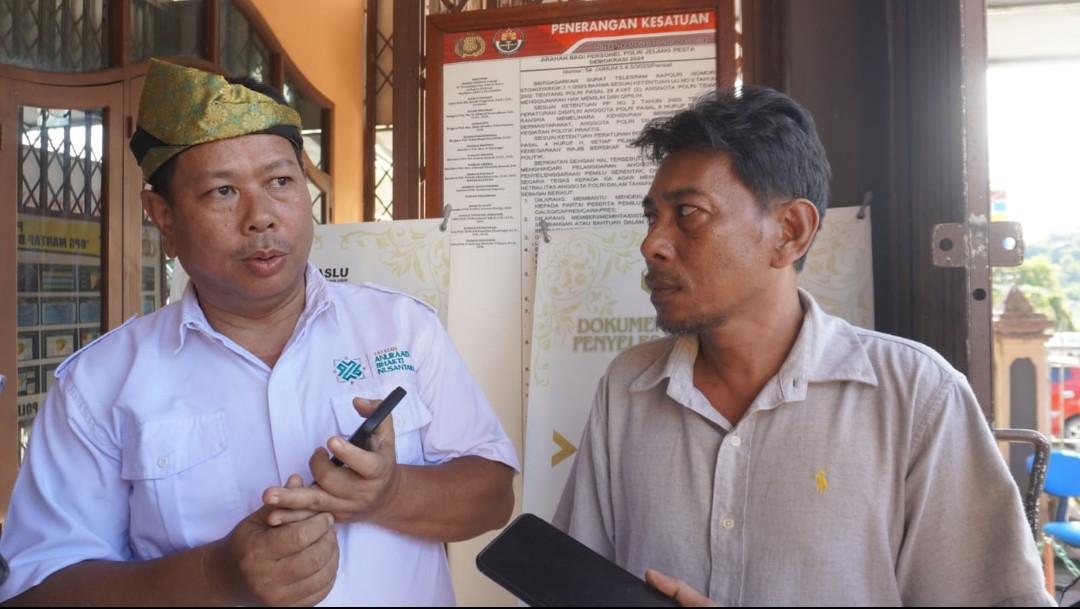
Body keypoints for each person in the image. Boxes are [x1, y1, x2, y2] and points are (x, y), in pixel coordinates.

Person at [0, 58, 519, 606]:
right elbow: (37, 591)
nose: (262, 217)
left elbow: (493, 497)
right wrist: (213, 577)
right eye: (222, 191)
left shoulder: (401, 328)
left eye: (280, 182)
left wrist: (390, 492)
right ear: (164, 217)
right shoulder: (100, 384)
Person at [552, 85, 1054, 606]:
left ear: (790, 231)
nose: (652, 242)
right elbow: (576, 584)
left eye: (688, 213)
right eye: (652, 216)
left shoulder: (916, 397)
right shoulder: (629, 387)